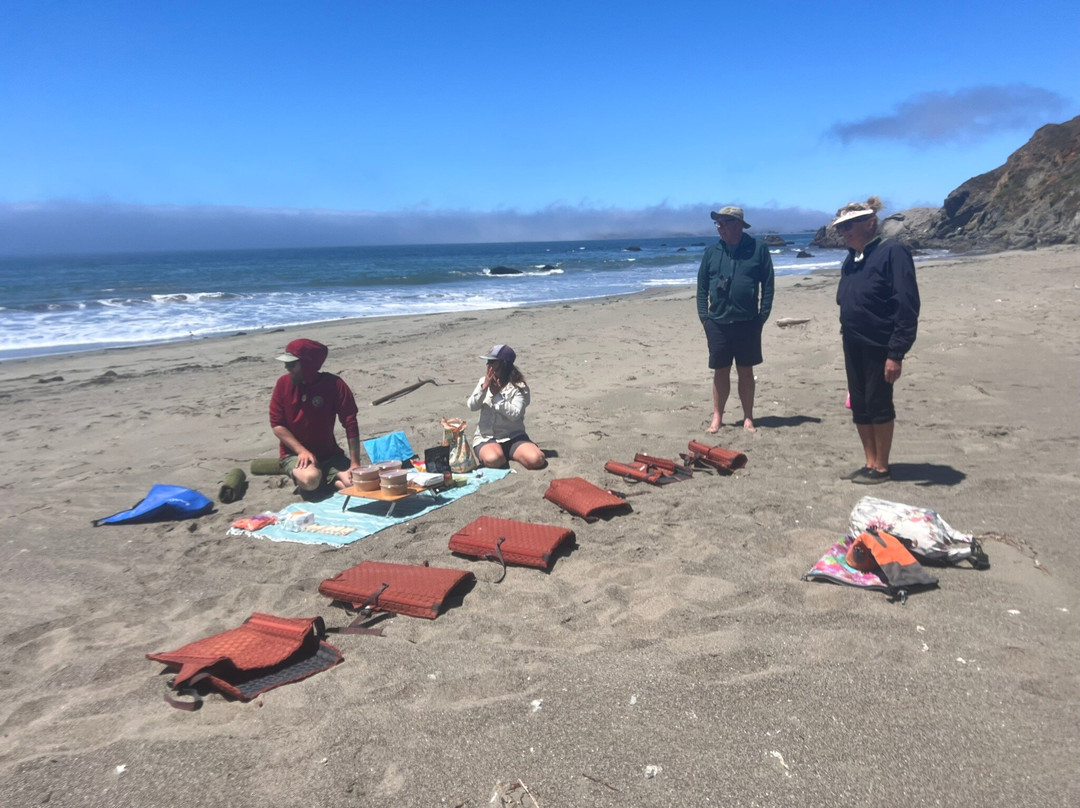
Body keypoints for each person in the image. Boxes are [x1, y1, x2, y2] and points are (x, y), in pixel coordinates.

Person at [832, 196, 920, 484]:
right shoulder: (852, 259)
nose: (844, 232)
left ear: (870, 223)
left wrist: (896, 353)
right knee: (859, 403)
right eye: (841, 228)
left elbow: (906, 304)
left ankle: (882, 466)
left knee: (878, 402)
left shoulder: (893, 252)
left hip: (879, 342)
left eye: (849, 226)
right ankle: (869, 462)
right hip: (853, 341)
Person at [697, 205, 775, 432]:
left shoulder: (758, 249)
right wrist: (704, 318)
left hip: (748, 322)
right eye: (717, 223)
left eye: (724, 222)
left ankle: (748, 417)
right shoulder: (712, 252)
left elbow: (768, 285)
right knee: (720, 371)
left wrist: (762, 316)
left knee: (745, 370)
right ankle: (717, 417)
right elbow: (701, 288)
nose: (719, 227)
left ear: (738, 225)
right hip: (717, 323)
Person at [269, 338, 362, 492]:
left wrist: (355, 464)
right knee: (311, 479)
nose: (287, 367)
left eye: (292, 364)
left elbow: (350, 422)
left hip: (329, 455)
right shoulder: (282, 384)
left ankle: (332, 477)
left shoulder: (334, 385)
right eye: (286, 363)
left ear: (307, 364)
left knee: (358, 483)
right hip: (295, 454)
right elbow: (277, 425)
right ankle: (331, 478)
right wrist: (301, 450)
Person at [466, 343, 547, 470]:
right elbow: (472, 406)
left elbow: (515, 414)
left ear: (504, 364)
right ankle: (497, 453)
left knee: (537, 460)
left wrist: (497, 395)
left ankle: (517, 451)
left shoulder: (519, 387)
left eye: (492, 362)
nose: (488, 366)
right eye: (488, 362)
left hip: (513, 436)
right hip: (487, 437)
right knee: (494, 460)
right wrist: (483, 388)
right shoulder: (483, 381)